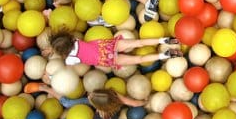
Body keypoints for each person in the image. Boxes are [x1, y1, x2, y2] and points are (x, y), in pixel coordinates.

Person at [41, 29, 182, 69]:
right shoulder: (75, 40)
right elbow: (64, 42)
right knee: (138, 43)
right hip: (107, 46)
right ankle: (163, 40)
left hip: (107, 59)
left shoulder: (71, 59)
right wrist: (53, 46)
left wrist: (53, 51)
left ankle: (165, 55)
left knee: (139, 59)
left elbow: (65, 58)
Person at [43, 0, 159, 25]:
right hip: (106, 15)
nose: (53, 4)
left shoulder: (60, 14)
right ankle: (147, 2)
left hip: (105, 15)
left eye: (55, 2)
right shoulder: (65, 15)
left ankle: (147, 2)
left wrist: (49, 15)